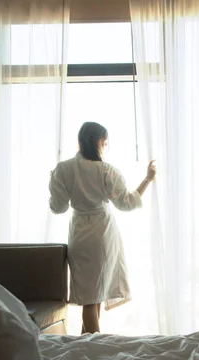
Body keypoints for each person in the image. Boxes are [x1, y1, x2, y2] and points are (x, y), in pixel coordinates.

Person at [48, 121, 156, 334]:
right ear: (99, 142)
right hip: (103, 234)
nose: (105, 145)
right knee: (92, 298)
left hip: (79, 233)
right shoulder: (106, 171)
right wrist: (147, 179)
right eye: (105, 142)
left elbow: (58, 207)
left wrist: (53, 187)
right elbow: (126, 203)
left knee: (91, 295)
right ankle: (93, 346)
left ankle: (85, 342)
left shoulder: (63, 169)